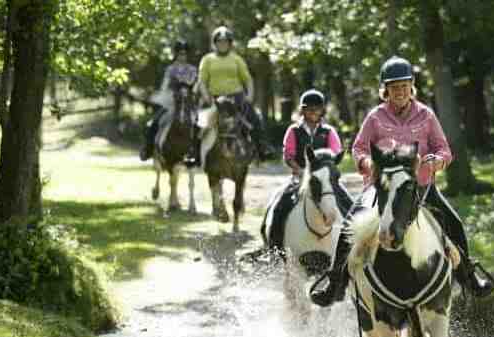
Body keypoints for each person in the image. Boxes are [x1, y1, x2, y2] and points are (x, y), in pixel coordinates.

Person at [309, 56, 494, 307]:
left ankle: (469, 277)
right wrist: (367, 163)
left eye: (404, 86)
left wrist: (435, 161)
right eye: (394, 87)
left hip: (419, 188)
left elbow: (444, 150)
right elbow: (358, 148)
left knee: (454, 222)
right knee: (349, 227)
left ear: (412, 86)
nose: (400, 91)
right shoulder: (375, 117)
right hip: (382, 189)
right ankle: (335, 281)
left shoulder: (427, 116)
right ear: (385, 90)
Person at [263, 89, 343, 251]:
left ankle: (351, 245)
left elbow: (334, 155)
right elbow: (288, 155)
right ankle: (274, 243)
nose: (313, 112)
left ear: (322, 110)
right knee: (280, 204)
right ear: (303, 110)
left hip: (325, 180)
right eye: (309, 108)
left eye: (317, 108)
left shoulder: (329, 132)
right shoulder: (294, 130)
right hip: (299, 177)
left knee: (348, 204)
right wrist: (301, 172)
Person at [197, 26, 269, 159]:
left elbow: (247, 79)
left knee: (255, 119)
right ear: (215, 43)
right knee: (197, 123)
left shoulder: (237, 59)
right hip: (214, 100)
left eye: (225, 42)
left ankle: (262, 148)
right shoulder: (207, 59)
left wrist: (250, 96)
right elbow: (201, 81)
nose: (222, 44)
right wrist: (206, 96)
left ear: (230, 43)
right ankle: (194, 154)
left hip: (236, 99)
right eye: (220, 41)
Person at [140, 38, 199, 163]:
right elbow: (164, 86)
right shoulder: (170, 69)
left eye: (184, 53)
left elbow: (195, 85)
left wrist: (188, 91)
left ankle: (194, 151)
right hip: (171, 101)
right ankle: (148, 148)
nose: (182, 56)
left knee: (197, 123)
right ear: (176, 54)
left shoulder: (192, 70)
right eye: (180, 53)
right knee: (154, 122)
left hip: (187, 102)